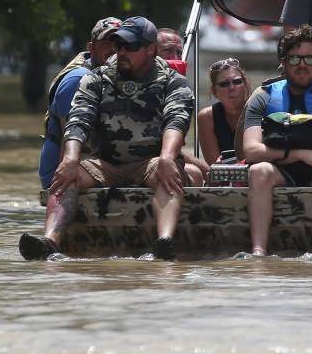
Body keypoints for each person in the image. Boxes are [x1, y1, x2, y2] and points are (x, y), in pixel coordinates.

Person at [18, 16, 195, 261]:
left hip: (151, 162)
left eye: (129, 46)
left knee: (169, 171)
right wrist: (70, 158)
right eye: (118, 45)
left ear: (150, 49)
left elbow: (176, 121)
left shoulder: (174, 83)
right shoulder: (97, 79)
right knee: (66, 173)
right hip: (105, 164)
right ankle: (50, 242)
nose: (121, 51)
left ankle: (164, 243)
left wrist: (166, 157)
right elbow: (79, 119)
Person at [240, 25, 312, 259]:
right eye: (294, 58)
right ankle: (258, 252)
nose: (302, 64)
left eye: (309, 58)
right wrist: (299, 155)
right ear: (283, 62)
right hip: (281, 171)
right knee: (258, 171)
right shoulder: (263, 97)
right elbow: (251, 150)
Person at [38, 16, 120, 189]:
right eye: (106, 43)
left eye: (118, 43)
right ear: (92, 48)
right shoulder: (78, 79)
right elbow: (69, 140)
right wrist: (61, 189)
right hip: (63, 169)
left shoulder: (113, 75)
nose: (113, 49)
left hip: (92, 161)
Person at [196, 57, 249, 165]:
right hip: (224, 176)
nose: (232, 87)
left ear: (245, 85)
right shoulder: (207, 117)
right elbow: (214, 165)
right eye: (224, 84)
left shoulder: (260, 110)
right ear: (214, 91)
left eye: (237, 81)